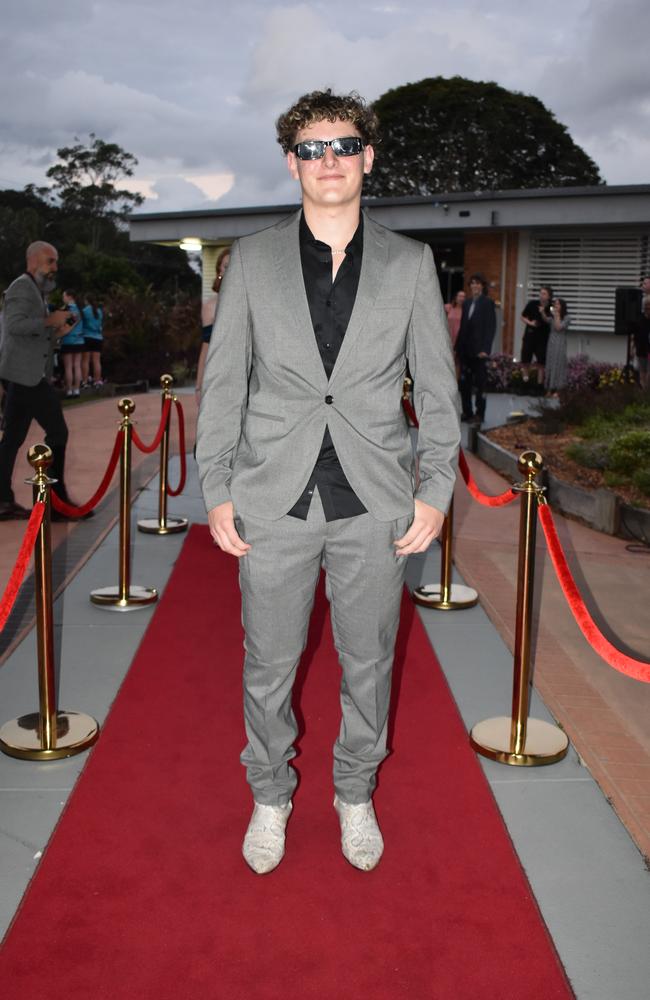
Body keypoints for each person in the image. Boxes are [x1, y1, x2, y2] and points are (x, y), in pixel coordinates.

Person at [196, 89, 460, 876]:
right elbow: (224, 384)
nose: (329, 162)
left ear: (367, 157)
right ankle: (270, 795)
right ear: (291, 163)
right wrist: (216, 486)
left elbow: (440, 392)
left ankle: (354, 793)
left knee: (369, 661)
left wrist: (436, 489)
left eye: (343, 146)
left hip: (377, 501)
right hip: (272, 497)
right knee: (269, 663)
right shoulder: (251, 259)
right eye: (311, 150)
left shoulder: (412, 263)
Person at [0, 242, 79, 520]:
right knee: (58, 432)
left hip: (22, 374)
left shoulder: (36, 289)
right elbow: (14, 326)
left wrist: (59, 331)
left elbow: (33, 338)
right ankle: (55, 503)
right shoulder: (22, 287)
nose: (55, 267)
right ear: (33, 261)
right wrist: (48, 321)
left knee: (11, 439)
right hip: (25, 376)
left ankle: (3, 499)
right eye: (50, 261)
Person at [454, 273, 496, 423]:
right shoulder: (466, 303)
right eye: (472, 283)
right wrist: (457, 347)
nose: (475, 286)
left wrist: (486, 348)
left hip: (480, 352)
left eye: (478, 283)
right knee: (464, 384)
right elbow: (463, 327)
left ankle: (480, 413)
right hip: (466, 350)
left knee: (480, 385)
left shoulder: (487, 303)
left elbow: (490, 328)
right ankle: (467, 412)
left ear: (482, 286)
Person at [195, 247, 230, 399]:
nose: (230, 270)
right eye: (226, 266)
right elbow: (206, 345)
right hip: (219, 376)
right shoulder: (211, 306)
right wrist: (199, 385)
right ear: (219, 271)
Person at [520, 285, 552, 387]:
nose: (541, 296)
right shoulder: (532, 304)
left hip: (543, 337)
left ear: (549, 296)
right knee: (525, 360)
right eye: (540, 293)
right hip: (530, 335)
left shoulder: (551, 307)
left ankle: (539, 385)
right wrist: (530, 323)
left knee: (541, 363)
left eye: (544, 294)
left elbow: (550, 320)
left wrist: (543, 312)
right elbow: (522, 316)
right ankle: (525, 382)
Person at [59, 290, 84, 397]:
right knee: (77, 365)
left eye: (64, 296)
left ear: (69, 297)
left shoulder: (65, 310)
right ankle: (77, 389)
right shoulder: (80, 309)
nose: (63, 298)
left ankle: (69, 390)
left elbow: (64, 327)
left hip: (68, 340)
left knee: (68, 366)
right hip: (79, 340)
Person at [544, 297, 570, 395]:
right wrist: (542, 312)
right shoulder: (552, 316)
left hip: (560, 342)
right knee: (550, 363)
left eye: (558, 304)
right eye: (555, 304)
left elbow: (558, 327)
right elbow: (546, 319)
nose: (556, 306)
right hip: (552, 341)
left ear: (562, 306)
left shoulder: (567, 318)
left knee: (558, 364)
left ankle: (558, 389)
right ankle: (549, 388)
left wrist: (557, 315)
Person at [81, 295, 104, 388]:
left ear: (87, 301)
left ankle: (85, 381)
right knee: (96, 361)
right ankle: (97, 381)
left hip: (87, 336)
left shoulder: (85, 311)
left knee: (85, 360)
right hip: (98, 337)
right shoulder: (99, 311)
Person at [634, 297, 650, 390]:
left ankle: (647, 390)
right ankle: (644, 391)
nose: (648, 310)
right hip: (641, 349)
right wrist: (633, 348)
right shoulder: (639, 319)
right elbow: (635, 335)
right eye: (646, 308)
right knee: (642, 371)